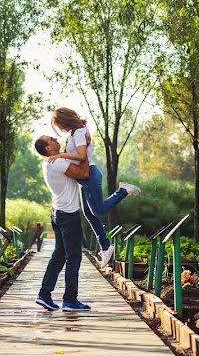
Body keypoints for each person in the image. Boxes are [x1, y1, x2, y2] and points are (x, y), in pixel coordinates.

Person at [47, 107, 141, 267]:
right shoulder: (74, 132)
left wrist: (61, 155)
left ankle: (123, 190)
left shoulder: (79, 132)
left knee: (98, 210)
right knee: (89, 215)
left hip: (90, 174)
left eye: (59, 125)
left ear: (64, 120)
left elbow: (82, 156)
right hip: (85, 179)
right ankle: (105, 247)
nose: (60, 129)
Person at [33, 134, 93, 311]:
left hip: (57, 213)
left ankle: (44, 294)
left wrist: (68, 153)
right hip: (68, 215)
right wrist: (86, 148)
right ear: (47, 148)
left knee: (59, 255)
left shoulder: (49, 162)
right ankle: (70, 300)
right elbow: (84, 173)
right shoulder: (57, 162)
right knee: (73, 257)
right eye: (51, 139)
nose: (55, 139)